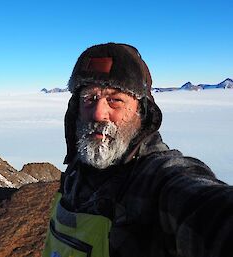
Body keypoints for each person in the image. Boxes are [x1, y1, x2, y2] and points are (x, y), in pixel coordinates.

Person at [42, 43, 233, 257]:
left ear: (141, 113)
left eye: (115, 100)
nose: (98, 113)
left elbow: (203, 205)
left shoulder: (154, 179)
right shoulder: (77, 170)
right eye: (89, 98)